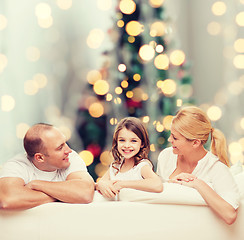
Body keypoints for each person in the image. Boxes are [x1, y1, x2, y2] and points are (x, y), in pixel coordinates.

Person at [157, 106, 240, 225]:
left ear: (196, 142)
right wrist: (171, 183)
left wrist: (198, 183)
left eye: (175, 138)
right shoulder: (166, 156)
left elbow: (230, 215)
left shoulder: (216, 168)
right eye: (171, 134)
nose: (170, 139)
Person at [0, 123, 95, 210]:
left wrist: (36, 184)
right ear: (40, 158)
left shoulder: (70, 157)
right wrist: (65, 195)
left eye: (65, 143)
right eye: (60, 147)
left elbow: (85, 193)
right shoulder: (17, 165)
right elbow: (7, 200)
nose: (68, 150)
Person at [96, 117, 163, 199]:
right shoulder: (115, 167)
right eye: (122, 140)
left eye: (133, 141)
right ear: (116, 142)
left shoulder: (141, 166)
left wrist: (122, 184)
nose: (127, 145)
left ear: (142, 143)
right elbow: (101, 182)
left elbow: (157, 185)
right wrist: (100, 185)